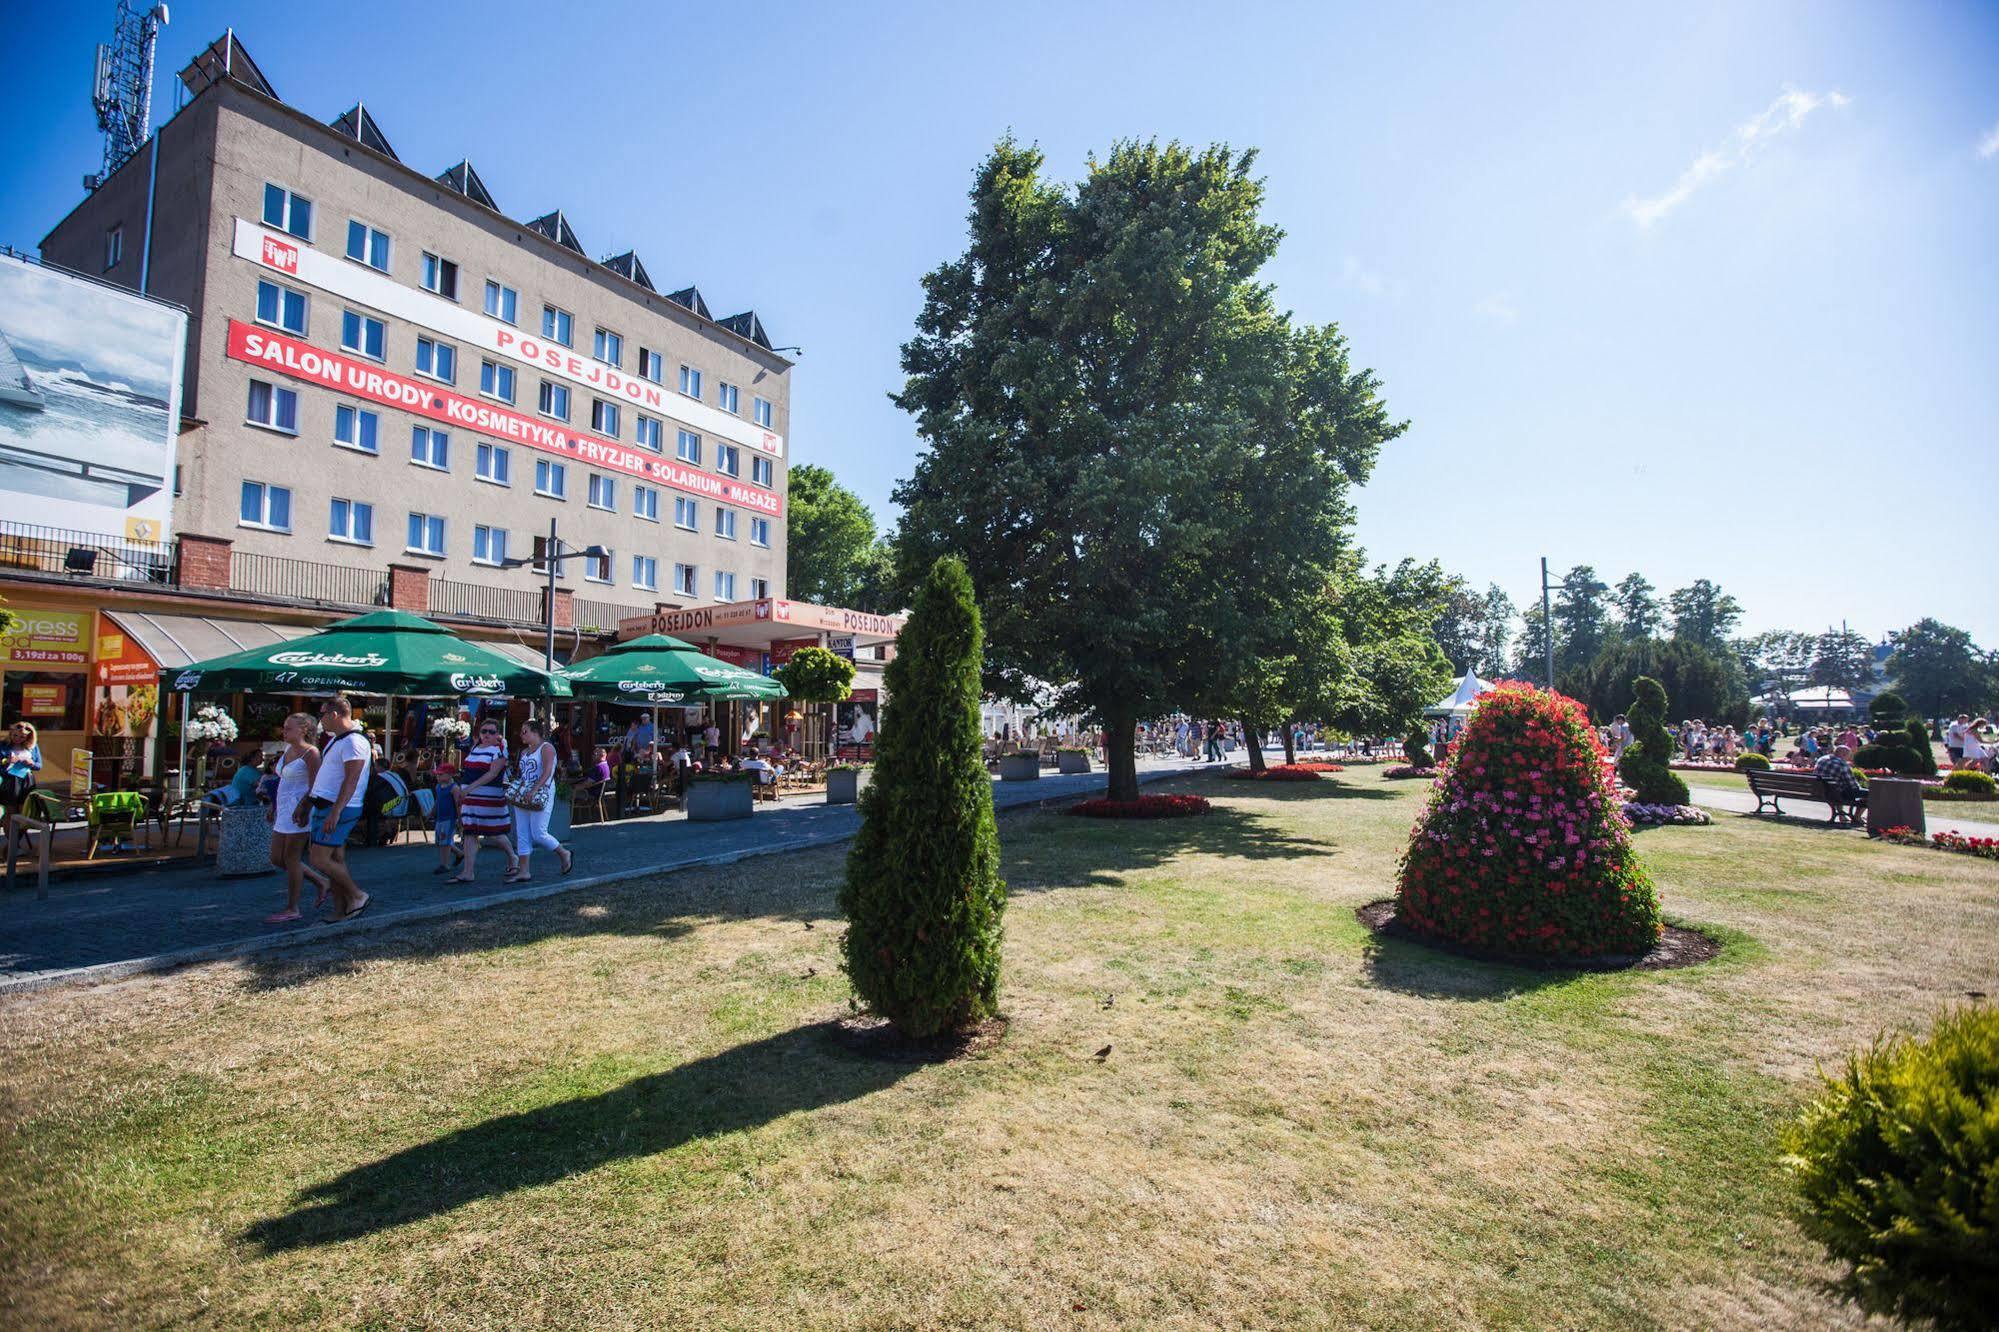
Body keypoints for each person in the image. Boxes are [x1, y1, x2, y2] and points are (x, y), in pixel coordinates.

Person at [304, 694, 371, 922]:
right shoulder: (337, 739)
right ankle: (340, 910)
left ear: (334, 714)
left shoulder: (354, 741)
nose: (320, 720)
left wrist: (336, 811)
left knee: (318, 859)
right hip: (327, 804)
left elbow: (351, 779)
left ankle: (357, 894)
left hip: (339, 806)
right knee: (334, 860)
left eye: (322, 714)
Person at [264, 713, 331, 924]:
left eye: (288, 728)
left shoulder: (311, 753)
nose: (284, 731)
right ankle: (320, 880)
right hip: (284, 808)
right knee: (277, 858)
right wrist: (273, 805)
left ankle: (292, 907)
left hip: (299, 808)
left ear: (303, 730)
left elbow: (316, 785)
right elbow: (282, 781)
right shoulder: (288, 750)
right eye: (284, 728)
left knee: (291, 858)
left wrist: (304, 807)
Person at [450, 718, 518, 883]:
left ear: (498, 735)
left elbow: (492, 774)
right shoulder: (474, 748)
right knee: (470, 832)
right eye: (484, 731)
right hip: (471, 798)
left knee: (494, 832)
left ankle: (512, 856)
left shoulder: (499, 751)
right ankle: (468, 871)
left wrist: (469, 788)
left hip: (489, 798)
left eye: (491, 732)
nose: (487, 734)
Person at [505, 717, 570, 883]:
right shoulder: (525, 751)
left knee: (538, 833)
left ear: (536, 732)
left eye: (525, 731)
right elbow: (523, 773)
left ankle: (563, 852)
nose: (522, 735)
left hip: (542, 792)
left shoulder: (546, 748)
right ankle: (524, 870)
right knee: (522, 832)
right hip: (524, 793)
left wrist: (534, 789)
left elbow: (548, 771)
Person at [1813, 743, 1869, 817]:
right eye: (1849, 756)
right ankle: (1857, 817)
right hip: (1837, 794)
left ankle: (1841, 815)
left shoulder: (1822, 759)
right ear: (1843, 754)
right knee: (1870, 793)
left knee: (1838, 787)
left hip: (1820, 791)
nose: (1848, 758)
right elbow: (1853, 786)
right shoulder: (1842, 764)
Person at [429, 762, 461, 875]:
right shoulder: (438, 787)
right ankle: (459, 853)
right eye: (437, 775)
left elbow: (458, 804)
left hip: (449, 818)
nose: (438, 777)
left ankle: (445, 864)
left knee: (445, 842)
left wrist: (459, 818)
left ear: (449, 775)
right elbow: (438, 800)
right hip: (440, 817)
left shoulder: (454, 788)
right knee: (440, 841)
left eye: (440, 774)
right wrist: (432, 811)